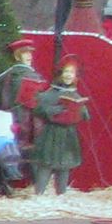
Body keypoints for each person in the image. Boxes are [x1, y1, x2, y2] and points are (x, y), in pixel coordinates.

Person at [32, 60, 89, 195]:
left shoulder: (75, 94)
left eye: (72, 72)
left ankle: (61, 194)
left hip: (68, 135)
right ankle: (39, 193)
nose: (69, 75)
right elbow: (39, 109)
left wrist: (78, 110)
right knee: (46, 164)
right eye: (67, 71)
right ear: (61, 74)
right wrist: (59, 109)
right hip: (51, 133)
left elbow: (84, 115)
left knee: (65, 165)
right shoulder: (50, 93)